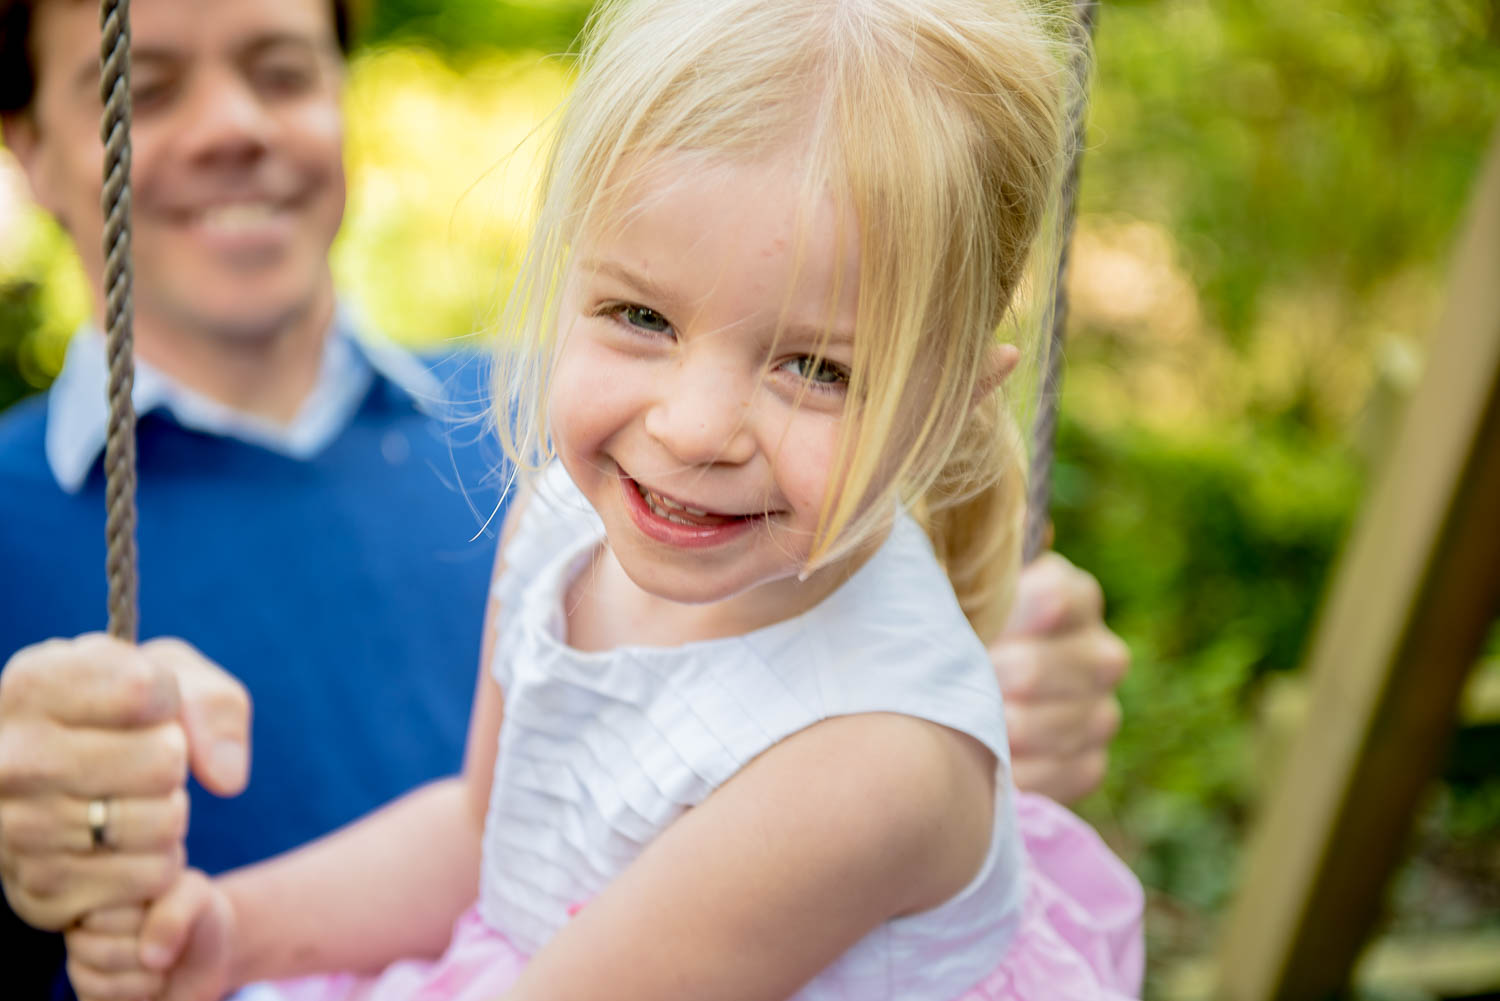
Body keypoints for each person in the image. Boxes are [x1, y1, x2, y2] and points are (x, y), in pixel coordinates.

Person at [0, 0, 1128, 996]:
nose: (691, 427)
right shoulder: (568, 515)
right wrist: (237, 933)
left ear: (959, 398)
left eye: (818, 368)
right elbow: (487, 836)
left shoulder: (871, 761)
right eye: (641, 317)